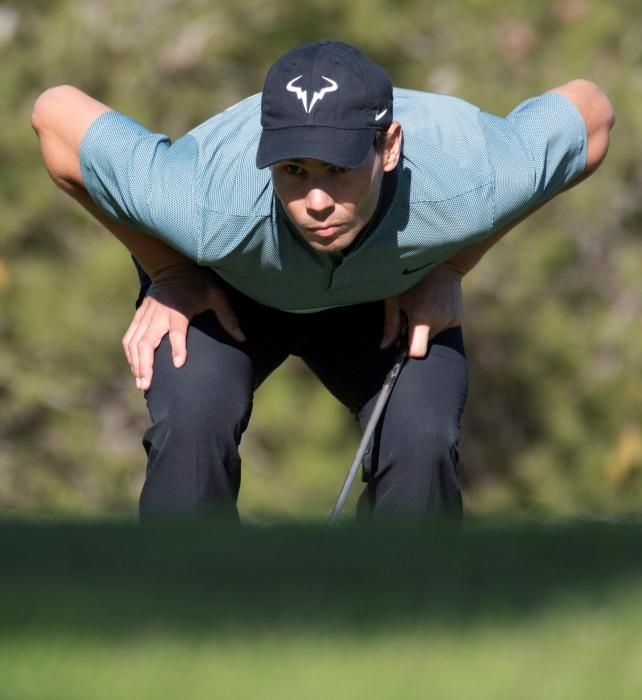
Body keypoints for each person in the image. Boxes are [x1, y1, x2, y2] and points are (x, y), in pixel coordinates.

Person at [32, 40, 614, 521]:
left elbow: (590, 116)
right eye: (294, 170)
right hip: (227, 288)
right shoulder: (207, 201)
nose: (315, 200)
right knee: (193, 423)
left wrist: (452, 265)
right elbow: (56, 116)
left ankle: (400, 626)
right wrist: (172, 270)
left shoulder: (468, 177)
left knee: (422, 440)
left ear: (387, 147)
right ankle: (182, 619)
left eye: (338, 170)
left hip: (388, 296)